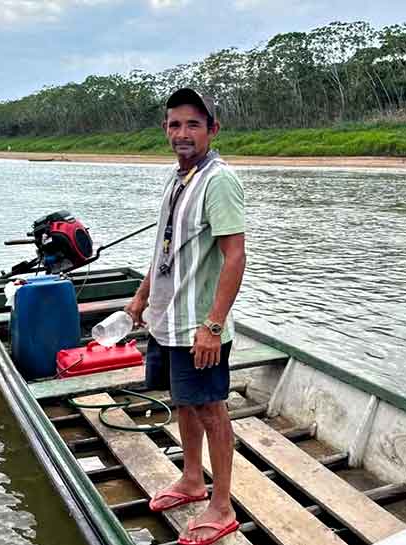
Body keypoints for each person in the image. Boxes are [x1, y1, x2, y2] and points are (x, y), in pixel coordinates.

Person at [125, 88, 246, 545]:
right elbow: (165, 249)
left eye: (194, 124)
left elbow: (235, 256)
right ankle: (193, 479)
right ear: (165, 130)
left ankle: (222, 504)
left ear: (212, 130)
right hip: (167, 320)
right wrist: (140, 299)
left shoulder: (218, 181)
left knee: (210, 408)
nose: (182, 133)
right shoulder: (179, 178)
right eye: (175, 124)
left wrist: (213, 326)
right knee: (184, 402)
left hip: (199, 326)